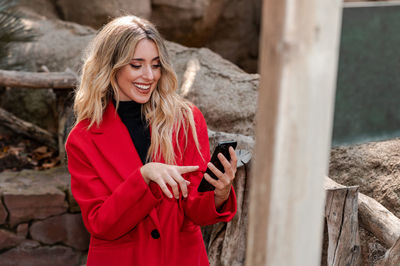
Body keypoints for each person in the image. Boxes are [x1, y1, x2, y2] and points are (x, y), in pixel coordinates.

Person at [65, 15, 237, 266]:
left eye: (156, 65)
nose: (149, 75)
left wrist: (219, 193)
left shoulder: (186, 119)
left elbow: (196, 210)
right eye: (136, 65)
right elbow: (100, 224)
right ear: (110, 67)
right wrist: (144, 177)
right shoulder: (83, 138)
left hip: (181, 258)